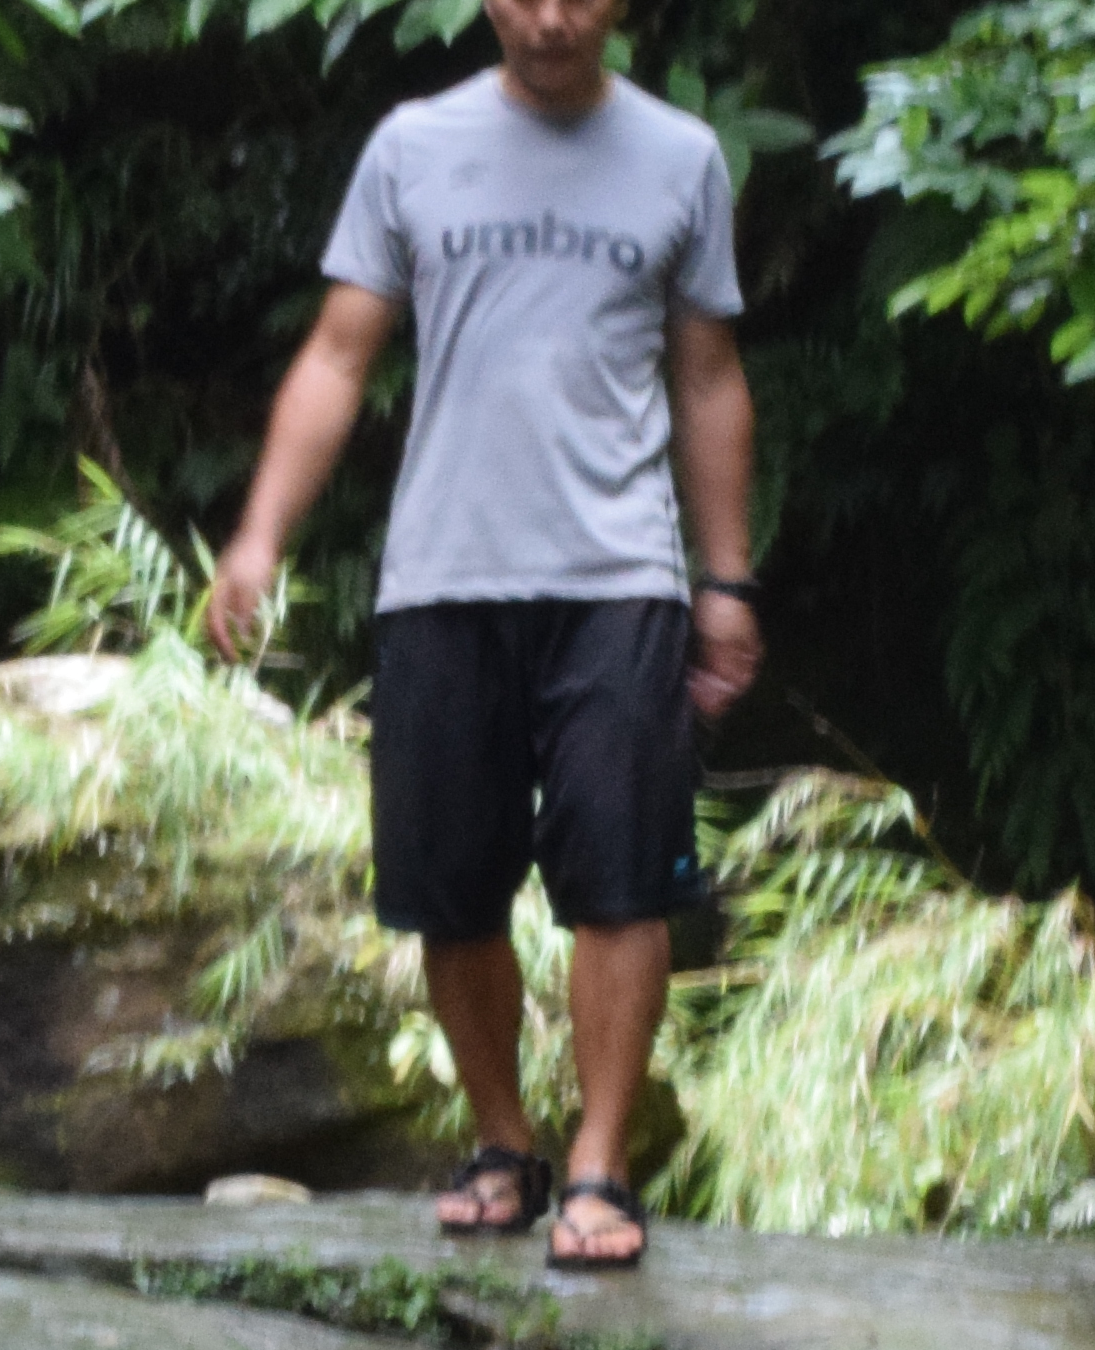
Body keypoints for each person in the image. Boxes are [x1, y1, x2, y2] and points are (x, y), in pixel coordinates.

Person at [203, 0, 757, 1275]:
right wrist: (259, 536)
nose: (551, 16)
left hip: (619, 574)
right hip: (444, 574)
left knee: (622, 878)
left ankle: (602, 1163)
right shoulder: (412, 146)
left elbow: (709, 375)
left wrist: (727, 579)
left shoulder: (682, 158)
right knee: (452, 886)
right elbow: (340, 355)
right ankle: (503, 1141)